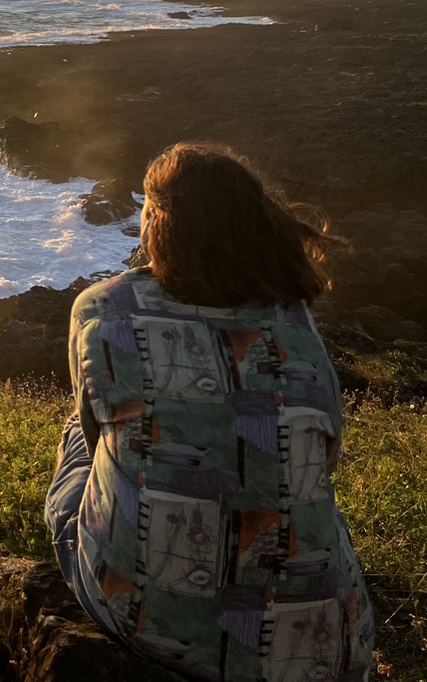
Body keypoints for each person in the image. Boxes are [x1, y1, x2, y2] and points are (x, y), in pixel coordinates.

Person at [45, 142, 374, 681]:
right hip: (322, 640)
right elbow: (326, 451)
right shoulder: (293, 319)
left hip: (155, 626)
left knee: (82, 444)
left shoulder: (105, 307)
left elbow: (95, 428)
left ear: (156, 224)